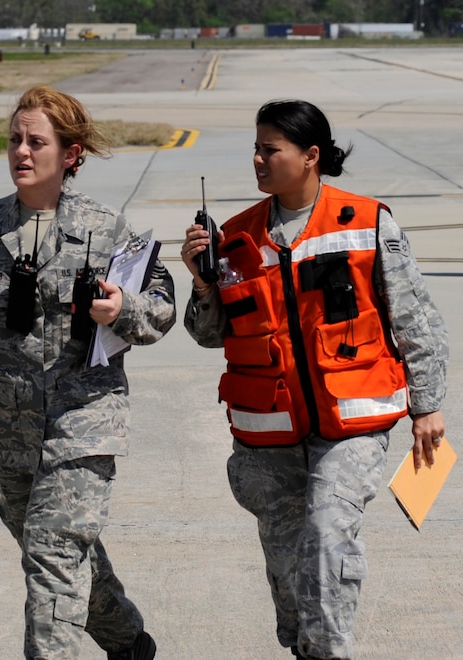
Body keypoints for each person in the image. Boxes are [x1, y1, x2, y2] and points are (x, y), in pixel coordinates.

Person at [0, 85, 174, 659]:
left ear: (70, 154)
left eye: (36, 142)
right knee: (53, 551)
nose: (21, 152)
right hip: (9, 428)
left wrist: (121, 309)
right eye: (14, 140)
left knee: (52, 558)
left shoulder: (107, 230)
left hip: (84, 424)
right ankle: (128, 641)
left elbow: (160, 305)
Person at [180, 99, 448, 660]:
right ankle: (305, 647)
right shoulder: (234, 237)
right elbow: (208, 335)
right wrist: (203, 285)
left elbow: (415, 318)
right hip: (268, 435)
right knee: (287, 567)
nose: (257, 159)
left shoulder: (367, 222)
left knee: (328, 539)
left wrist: (428, 407)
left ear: (310, 156)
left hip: (351, 424)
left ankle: (329, 653)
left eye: (270, 149)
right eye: (255, 147)